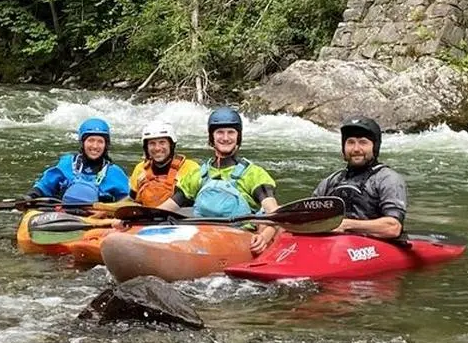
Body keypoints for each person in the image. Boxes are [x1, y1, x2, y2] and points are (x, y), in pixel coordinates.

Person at [155, 107, 280, 254]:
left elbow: (275, 213)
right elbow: (166, 208)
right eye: (220, 132)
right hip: (202, 237)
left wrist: (264, 237)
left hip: (239, 239)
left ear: (238, 137)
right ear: (212, 137)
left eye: (231, 132)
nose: (225, 138)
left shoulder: (253, 174)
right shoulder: (198, 175)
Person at [313, 116, 407, 238]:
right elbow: (309, 216)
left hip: (373, 247)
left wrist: (346, 225)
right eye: (350, 142)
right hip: (335, 245)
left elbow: (393, 227)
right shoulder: (331, 181)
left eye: (363, 142)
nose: (356, 149)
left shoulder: (388, 179)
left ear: (375, 147)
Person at [25, 118, 130, 203]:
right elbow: (44, 186)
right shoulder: (67, 164)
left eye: (100, 142)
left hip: (98, 219)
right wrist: (30, 196)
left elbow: (127, 201)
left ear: (105, 145)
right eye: (91, 140)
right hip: (63, 216)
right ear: (82, 143)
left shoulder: (114, 173)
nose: (95, 146)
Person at [128, 121, 199, 207]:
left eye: (162, 142)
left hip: (179, 218)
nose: (157, 148)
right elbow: (132, 201)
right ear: (146, 147)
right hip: (147, 218)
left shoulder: (190, 168)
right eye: (152, 143)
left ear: (171, 145)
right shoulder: (140, 168)